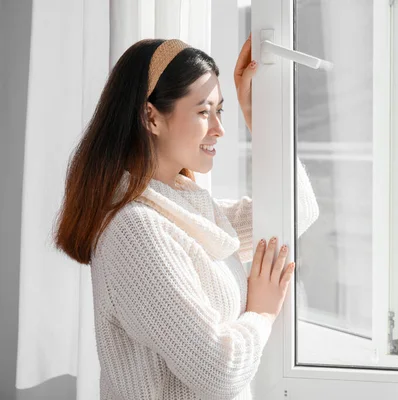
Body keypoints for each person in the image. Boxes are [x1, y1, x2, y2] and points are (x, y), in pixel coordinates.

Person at [53, 36, 319, 400]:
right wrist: (261, 314)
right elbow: (219, 371)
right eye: (202, 111)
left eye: (220, 111)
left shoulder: (185, 206)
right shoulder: (134, 230)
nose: (219, 129)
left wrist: (258, 116)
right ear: (151, 117)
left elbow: (297, 211)